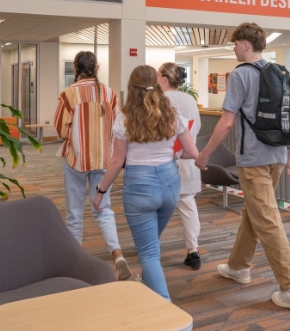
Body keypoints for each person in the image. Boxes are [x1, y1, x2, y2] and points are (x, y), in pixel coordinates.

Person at [195, 22, 290, 310]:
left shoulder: (240, 75)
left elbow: (227, 122)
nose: (233, 47)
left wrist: (205, 154)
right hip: (278, 156)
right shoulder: (280, 72)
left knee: (267, 219)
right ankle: (238, 267)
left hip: (254, 159)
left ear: (246, 44)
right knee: (255, 212)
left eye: (234, 43)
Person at [92, 65, 198, 301]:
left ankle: (165, 308)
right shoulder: (173, 115)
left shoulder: (125, 119)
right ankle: (150, 287)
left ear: (132, 88)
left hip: (140, 187)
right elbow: (191, 152)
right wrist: (173, 154)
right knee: (150, 246)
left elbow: (117, 161)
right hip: (170, 185)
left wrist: (100, 191)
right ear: (158, 84)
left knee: (148, 252)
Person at [54, 51, 131, 281]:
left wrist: (76, 135)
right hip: (104, 161)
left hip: (76, 161)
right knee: (103, 210)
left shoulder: (68, 94)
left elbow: (61, 130)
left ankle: (75, 264)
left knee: (74, 215)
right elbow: (119, 126)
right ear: (97, 67)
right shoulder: (109, 93)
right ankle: (117, 254)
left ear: (76, 68)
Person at [158, 62, 203, 270]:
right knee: (187, 205)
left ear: (164, 79)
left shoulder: (159, 100)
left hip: (163, 161)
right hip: (188, 159)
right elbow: (197, 127)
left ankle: (150, 247)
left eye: (158, 75)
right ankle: (193, 251)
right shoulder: (190, 100)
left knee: (156, 206)